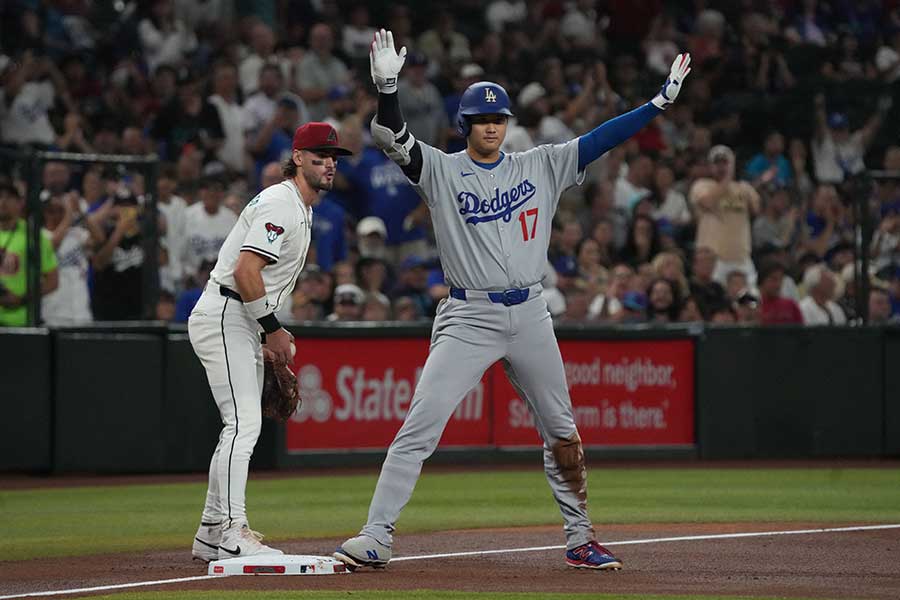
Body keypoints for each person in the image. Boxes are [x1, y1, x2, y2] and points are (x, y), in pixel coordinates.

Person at [334, 29, 692, 572]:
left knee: (563, 430)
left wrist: (657, 103)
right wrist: (387, 88)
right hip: (469, 314)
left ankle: (580, 537)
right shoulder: (442, 170)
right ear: (466, 126)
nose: (492, 126)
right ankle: (377, 535)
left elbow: (601, 139)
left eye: (498, 118)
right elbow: (393, 137)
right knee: (420, 425)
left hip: (529, 312)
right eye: (482, 120)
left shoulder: (539, 164)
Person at [188, 121, 352, 561]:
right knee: (243, 425)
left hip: (237, 316)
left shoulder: (301, 206)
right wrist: (273, 329)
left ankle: (209, 532)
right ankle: (233, 531)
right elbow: (245, 272)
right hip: (226, 311)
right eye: (319, 155)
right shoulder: (282, 200)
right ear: (297, 157)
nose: (329, 163)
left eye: (334, 156)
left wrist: (267, 328)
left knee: (240, 425)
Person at [689, 145, 760, 285]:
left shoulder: (744, 188)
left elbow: (756, 210)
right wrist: (727, 178)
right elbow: (707, 201)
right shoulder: (702, 185)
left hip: (742, 257)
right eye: (717, 163)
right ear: (710, 166)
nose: (721, 167)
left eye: (725, 162)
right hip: (713, 260)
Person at [0, 183, 59, 326]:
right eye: (0, 197)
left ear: (20, 203)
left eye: (9, 197)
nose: (2, 202)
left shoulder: (34, 236)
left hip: (23, 322)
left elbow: (52, 281)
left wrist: (22, 299)